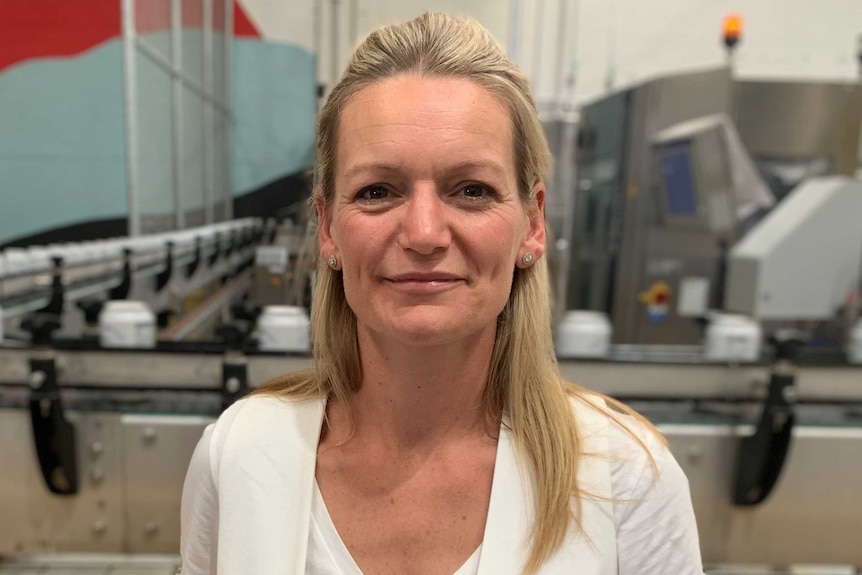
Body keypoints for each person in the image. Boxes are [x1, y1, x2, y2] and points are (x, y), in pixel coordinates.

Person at [180, 12, 704, 575]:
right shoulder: (236, 456)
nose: (424, 233)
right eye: (378, 191)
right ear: (328, 226)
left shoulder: (623, 480)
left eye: (472, 190)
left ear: (532, 223)